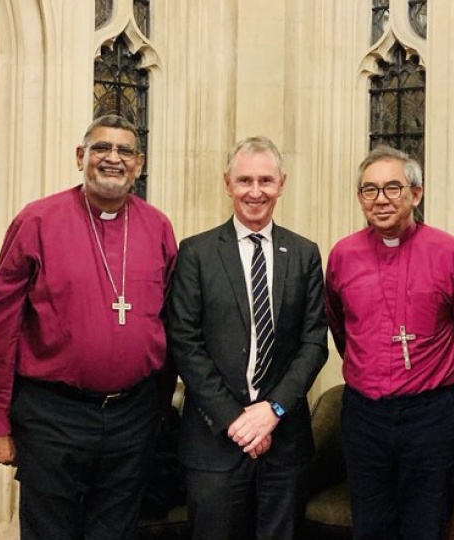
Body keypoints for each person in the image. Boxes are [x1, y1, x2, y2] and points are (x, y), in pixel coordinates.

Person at [0, 114, 177, 540]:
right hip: (53, 415)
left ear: (139, 164)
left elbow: (171, 321)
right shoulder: (37, 221)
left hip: (133, 416)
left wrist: (159, 409)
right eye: (101, 148)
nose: (113, 158)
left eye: (125, 151)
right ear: (80, 156)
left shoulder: (158, 226)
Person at [167, 136, 328, 540]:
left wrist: (272, 411)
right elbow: (184, 342)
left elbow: (313, 343)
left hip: (284, 444)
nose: (255, 192)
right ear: (227, 184)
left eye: (265, 181)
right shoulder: (196, 253)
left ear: (281, 183)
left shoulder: (305, 254)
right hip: (213, 444)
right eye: (244, 180)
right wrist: (236, 420)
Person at [324, 144, 454, 540]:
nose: (381, 199)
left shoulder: (451, 254)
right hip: (364, 415)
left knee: (426, 527)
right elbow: (341, 329)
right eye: (370, 189)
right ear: (360, 197)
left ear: (416, 192)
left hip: (430, 416)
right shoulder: (343, 255)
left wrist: (437, 380)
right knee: (370, 527)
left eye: (392, 188)